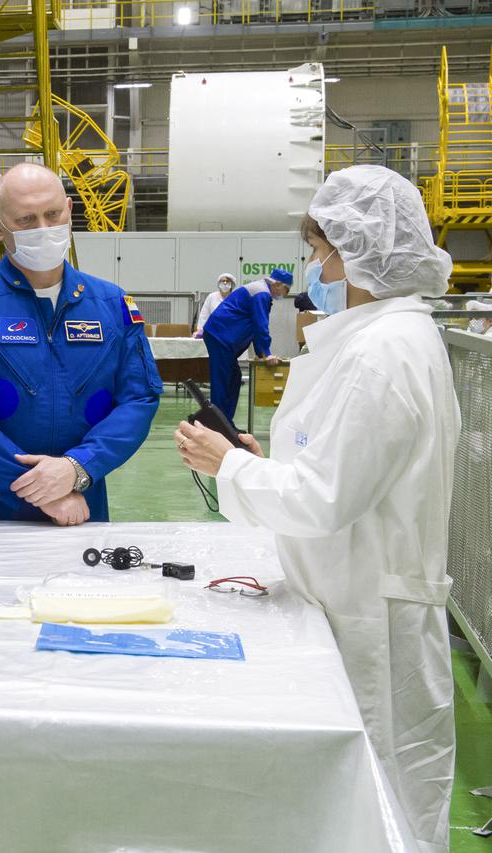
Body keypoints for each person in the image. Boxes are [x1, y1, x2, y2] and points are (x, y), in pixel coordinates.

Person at [175, 165, 458, 853]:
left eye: (320, 248)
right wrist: (258, 461)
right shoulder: (371, 337)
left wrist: (232, 466)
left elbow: (325, 498)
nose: (313, 266)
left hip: (370, 618)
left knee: (378, 805)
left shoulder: (383, 352)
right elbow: (339, 469)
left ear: (356, 249)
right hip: (350, 594)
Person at [0, 162, 161, 524]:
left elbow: (139, 399)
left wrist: (77, 468)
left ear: (69, 210)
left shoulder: (112, 305)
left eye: (52, 215)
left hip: (80, 506)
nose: (43, 229)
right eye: (26, 220)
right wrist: (33, 487)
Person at [201, 266, 291, 424]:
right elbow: (260, 324)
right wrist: (266, 353)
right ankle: (217, 425)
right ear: (277, 284)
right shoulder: (261, 293)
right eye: (286, 290)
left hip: (221, 336)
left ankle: (225, 423)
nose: (285, 294)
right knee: (223, 381)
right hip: (220, 336)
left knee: (234, 378)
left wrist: (261, 352)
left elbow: (255, 325)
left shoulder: (260, 291)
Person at [193, 272, 236, 337]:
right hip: (213, 332)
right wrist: (200, 330)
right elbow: (204, 315)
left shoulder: (235, 298)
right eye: (222, 281)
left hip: (231, 332)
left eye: (227, 281)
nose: (225, 283)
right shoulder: (212, 297)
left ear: (231, 284)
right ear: (219, 284)